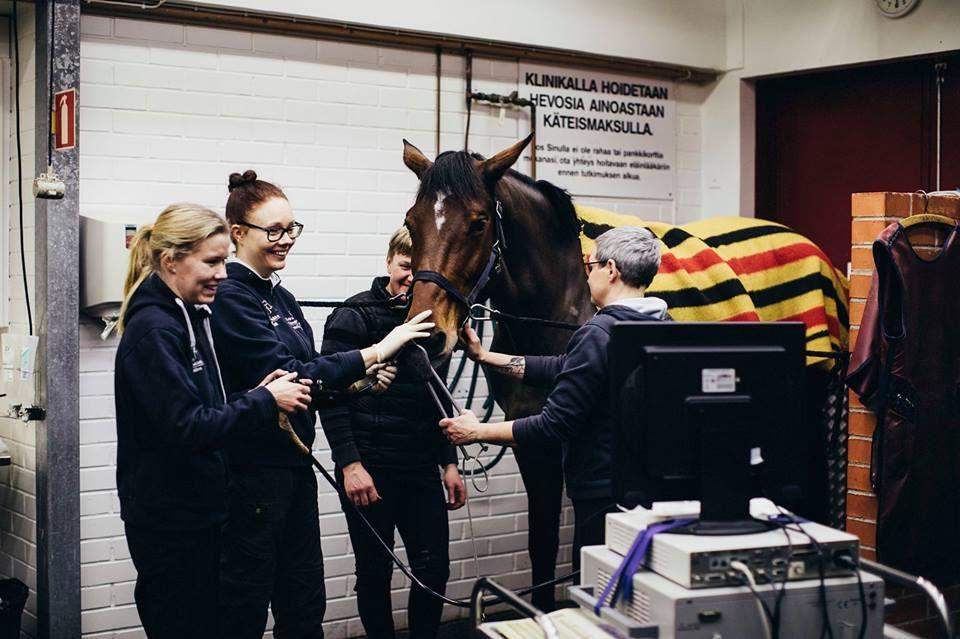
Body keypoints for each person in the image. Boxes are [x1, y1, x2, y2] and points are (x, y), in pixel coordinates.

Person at [211, 171, 433, 639]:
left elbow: (310, 373)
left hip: (294, 468)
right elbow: (292, 375)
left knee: (304, 600)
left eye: (292, 228)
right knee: (244, 604)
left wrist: (356, 384)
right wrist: (379, 349)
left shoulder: (282, 298)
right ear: (237, 234)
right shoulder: (232, 296)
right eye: (273, 231)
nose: (286, 240)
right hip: (252, 475)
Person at [114, 203, 314, 639]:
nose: (223, 274)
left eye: (224, 260)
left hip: (199, 512)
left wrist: (255, 394)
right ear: (170, 261)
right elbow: (187, 428)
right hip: (170, 521)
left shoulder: (187, 318)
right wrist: (264, 401)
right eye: (212, 261)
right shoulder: (156, 330)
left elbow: (201, 407)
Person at [440, 226, 668, 570]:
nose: (586, 275)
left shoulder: (597, 333)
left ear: (611, 270)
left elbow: (553, 425)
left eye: (589, 266)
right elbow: (564, 367)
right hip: (650, 491)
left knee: (597, 593)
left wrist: (477, 431)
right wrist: (485, 356)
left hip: (601, 496)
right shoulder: (665, 326)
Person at [318, 227, 466, 639]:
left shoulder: (432, 320)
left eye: (420, 271)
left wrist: (449, 463)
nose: (411, 278)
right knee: (374, 572)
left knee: (433, 568)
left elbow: (433, 395)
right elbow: (328, 396)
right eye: (405, 267)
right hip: (370, 469)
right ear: (388, 262)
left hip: (419, 468)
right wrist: (350, 464)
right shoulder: (354, 315)